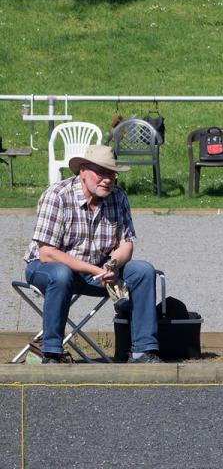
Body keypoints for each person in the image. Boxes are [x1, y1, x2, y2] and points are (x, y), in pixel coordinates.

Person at [24, 145, 162, 364]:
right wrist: (96, 269)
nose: (107, 180)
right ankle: (51, 352)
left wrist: (113, 264)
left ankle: (143, 351)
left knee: (143, 271)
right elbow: (47, 253)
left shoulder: (118, 197)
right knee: (61, 274)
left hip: (98, 271)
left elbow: (126, 244)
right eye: (101, 173)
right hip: (47, 269)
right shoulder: (57, 195)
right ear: (83, 171)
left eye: (111, 174)